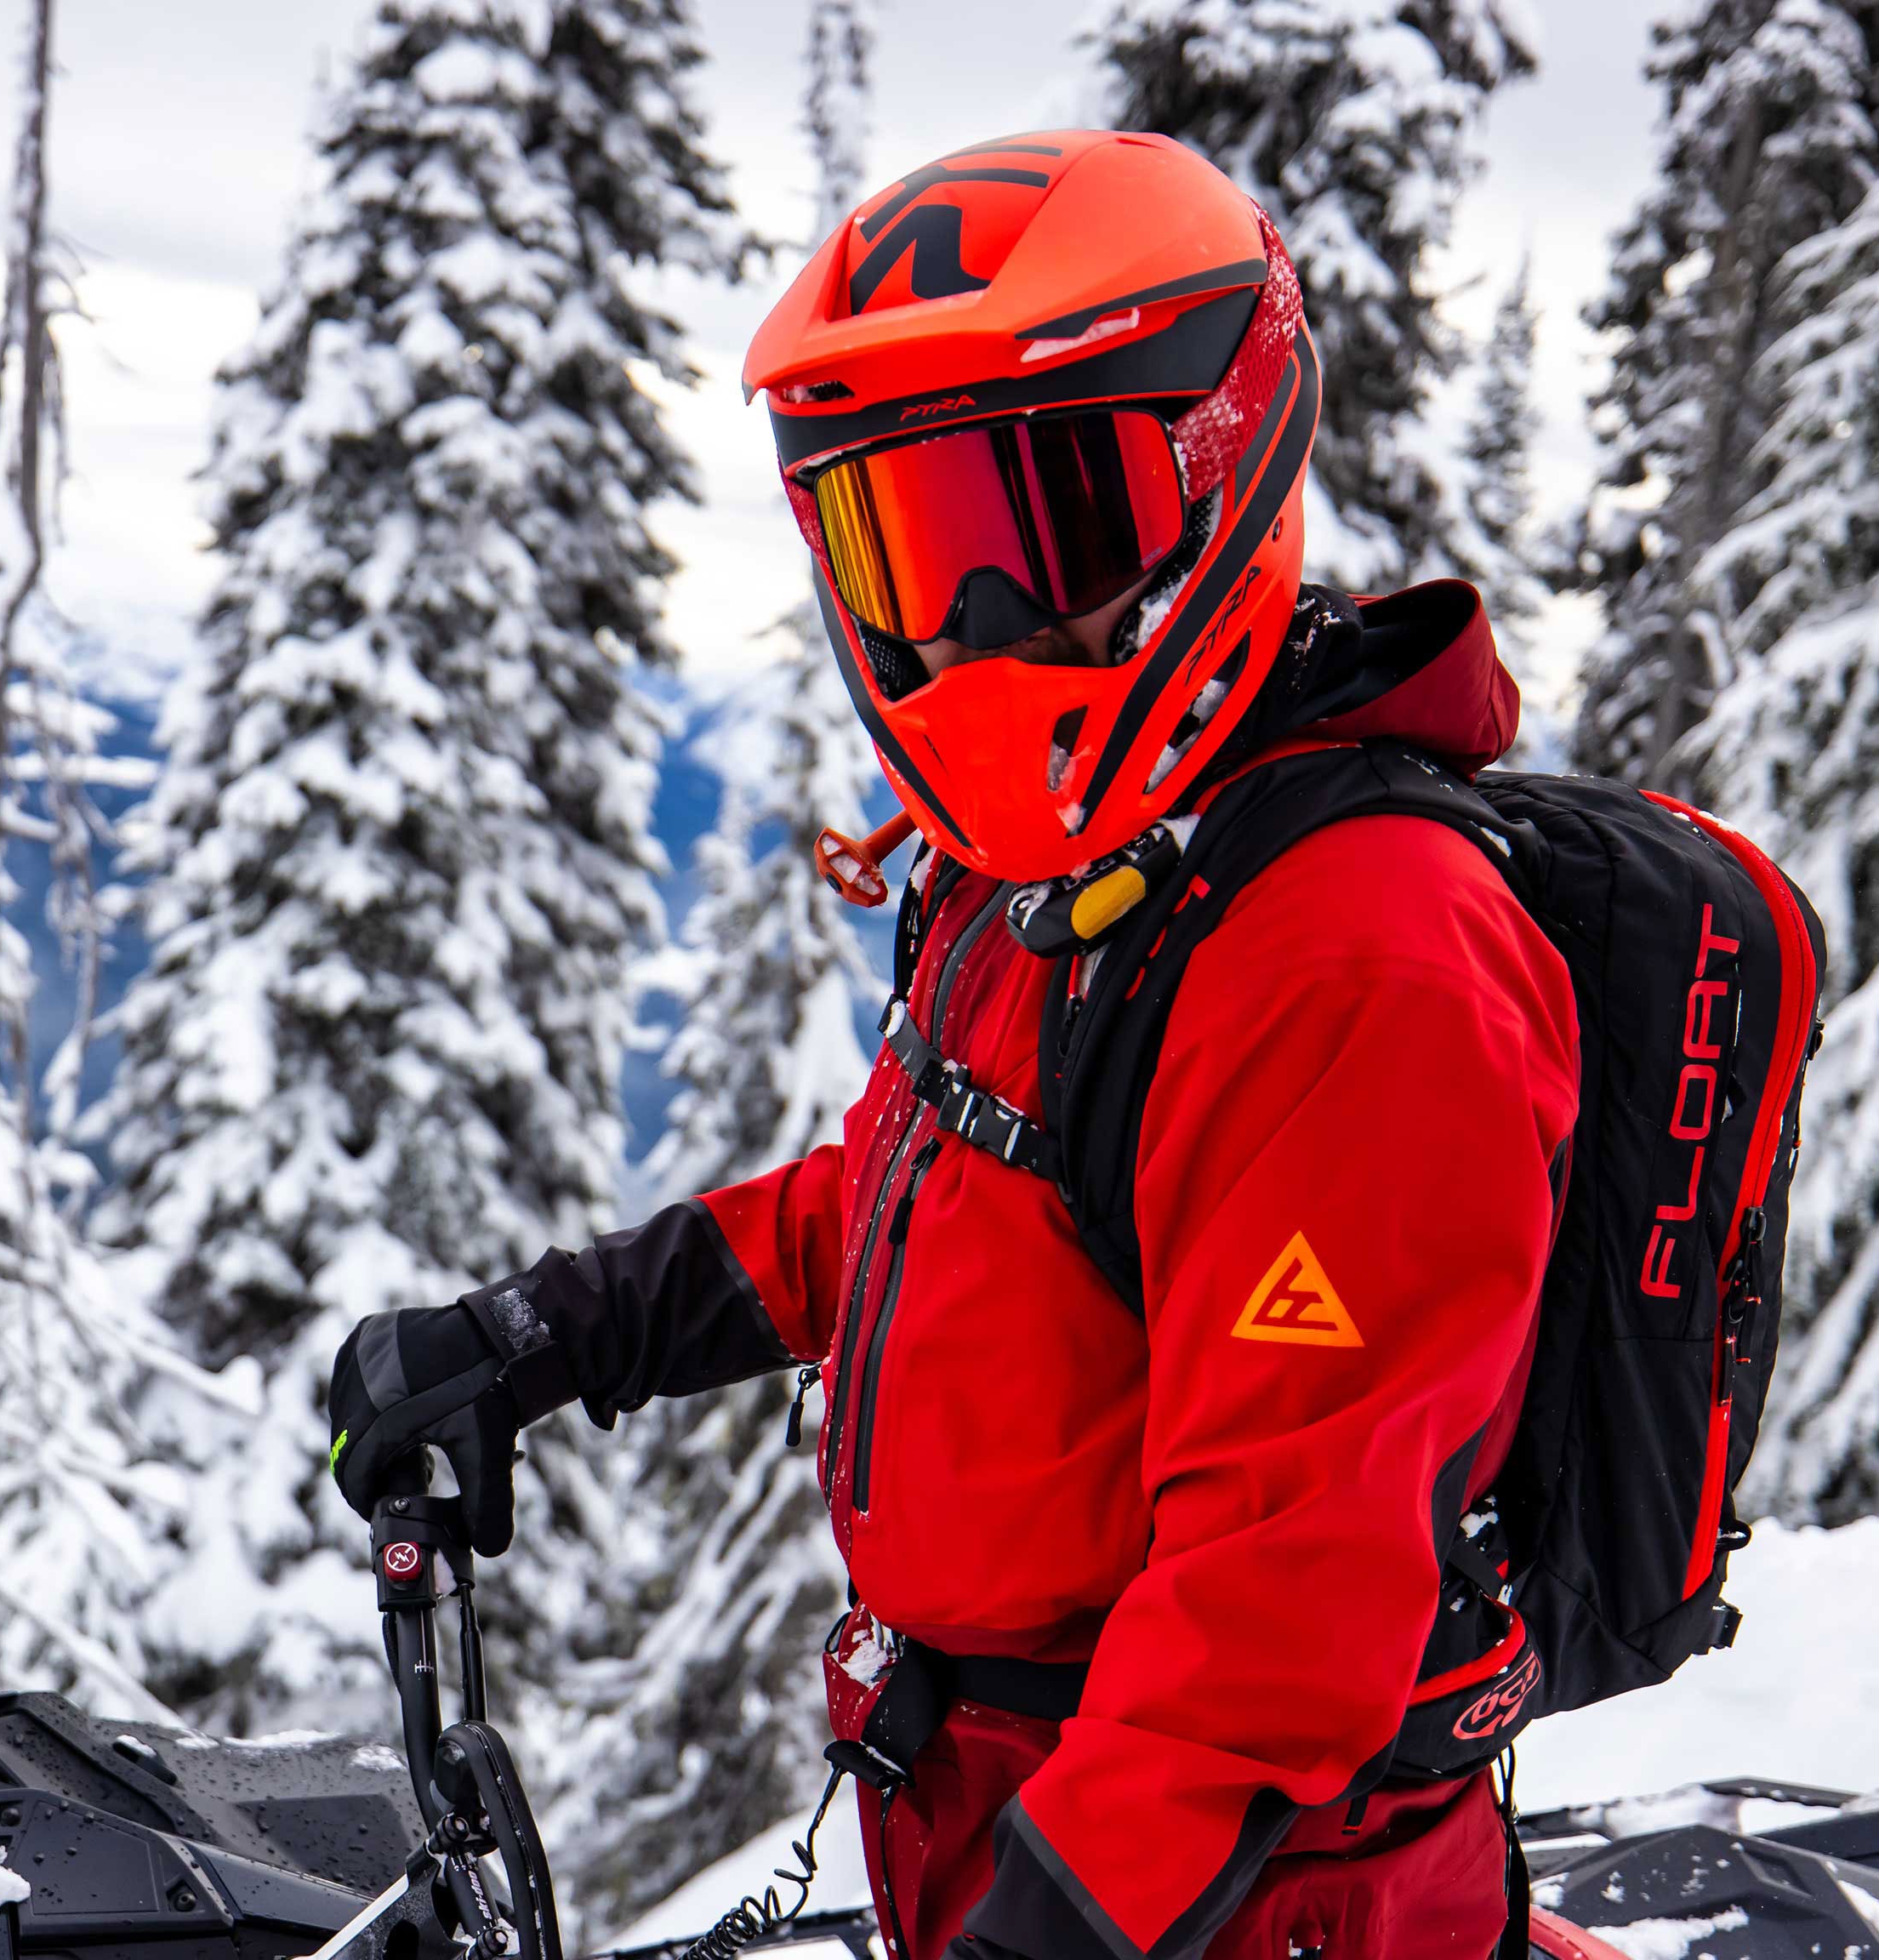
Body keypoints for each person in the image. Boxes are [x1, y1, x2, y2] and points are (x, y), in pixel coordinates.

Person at [329, 130, 1579, 1960]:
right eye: (912, 551)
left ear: (1219, 465)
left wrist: (1056, 1926)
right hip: (1019, 1838)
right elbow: (935, 1199)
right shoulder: (1084, 869)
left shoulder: (1356, 955)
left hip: (1243, 1910)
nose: (983, 630)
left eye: (1046, 531)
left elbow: (1285, 1591)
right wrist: (564, 1329)